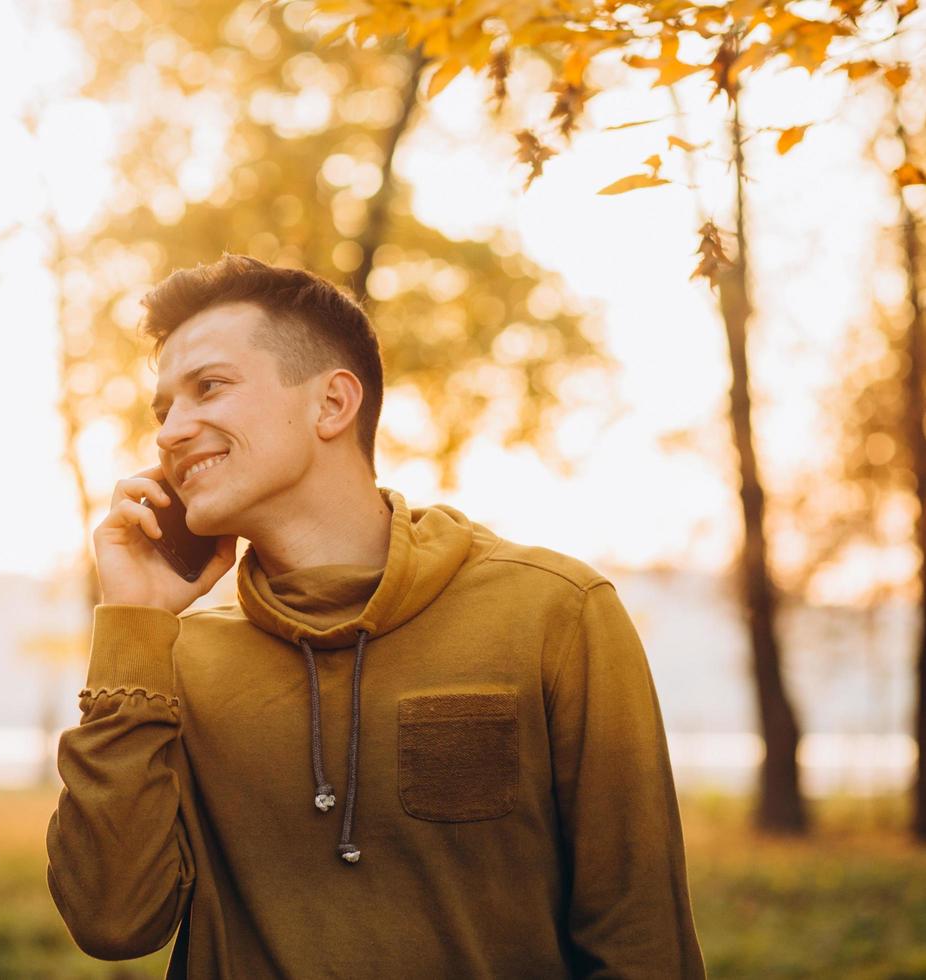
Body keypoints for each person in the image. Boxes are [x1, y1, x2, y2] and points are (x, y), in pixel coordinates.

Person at [45, 253, 707, 978]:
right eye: (164, 409)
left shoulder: (555, 611)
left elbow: (643, 944)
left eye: (209, 388)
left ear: (332, 404)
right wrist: (134, 621)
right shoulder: (173, 661)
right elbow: (114, 922)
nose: (172, 431)